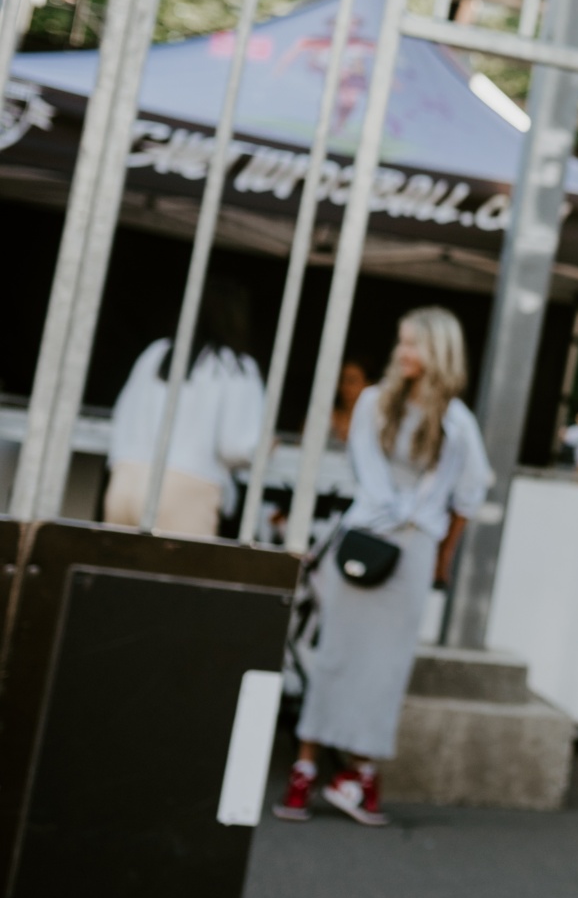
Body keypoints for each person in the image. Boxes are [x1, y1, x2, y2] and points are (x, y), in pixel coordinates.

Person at [275, 307, 491, 827]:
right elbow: (371, 475)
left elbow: (469, 494)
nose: (403, 353)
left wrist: (439, 555)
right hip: (372, 539)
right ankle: (308, 767)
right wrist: (412, 526)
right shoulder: (375, 402)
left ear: (438, 351)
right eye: (401, 342)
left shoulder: (458, 422)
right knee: (336, 655)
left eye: (413, 344)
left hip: (404, 548)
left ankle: (359, 772)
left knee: (384, 668)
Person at [104, 290, 265, 538]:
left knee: (119, 561)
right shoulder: (234, 366)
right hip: (187, 488)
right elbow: (237, 447)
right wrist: (265, 448)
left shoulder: (156, 352)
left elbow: (121, 417)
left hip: (125, 481)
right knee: (180, 564)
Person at [329, 358, 368, 445]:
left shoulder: (376, 422)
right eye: (342, 380)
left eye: (352, 381)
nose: (345, 386)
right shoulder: (326, 418)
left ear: (367, 384)